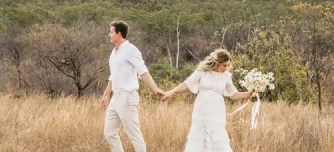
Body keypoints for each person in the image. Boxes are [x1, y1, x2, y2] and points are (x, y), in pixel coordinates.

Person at [161, 49, 256, 152]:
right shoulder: (202, 72)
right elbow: (186, 84)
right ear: (216, 62)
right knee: (199, 138)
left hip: (217, 111)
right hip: (202, 109)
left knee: (218, 138)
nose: (226, 68)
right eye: (224, 65)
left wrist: (249, 93)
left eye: (228, 65)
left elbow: (233, 94)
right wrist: (171, 92)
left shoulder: (226, 76)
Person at [101, 20, 164, 152]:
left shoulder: (131, 50)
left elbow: (143, 71)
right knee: (109, 133)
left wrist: (155, 89)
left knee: (134, 135)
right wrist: (106, 94)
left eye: (111, 32)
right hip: (116, 97)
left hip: (127, 97)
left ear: (119, 33)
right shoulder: (114, 52)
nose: (109, 35)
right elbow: (113, 76)